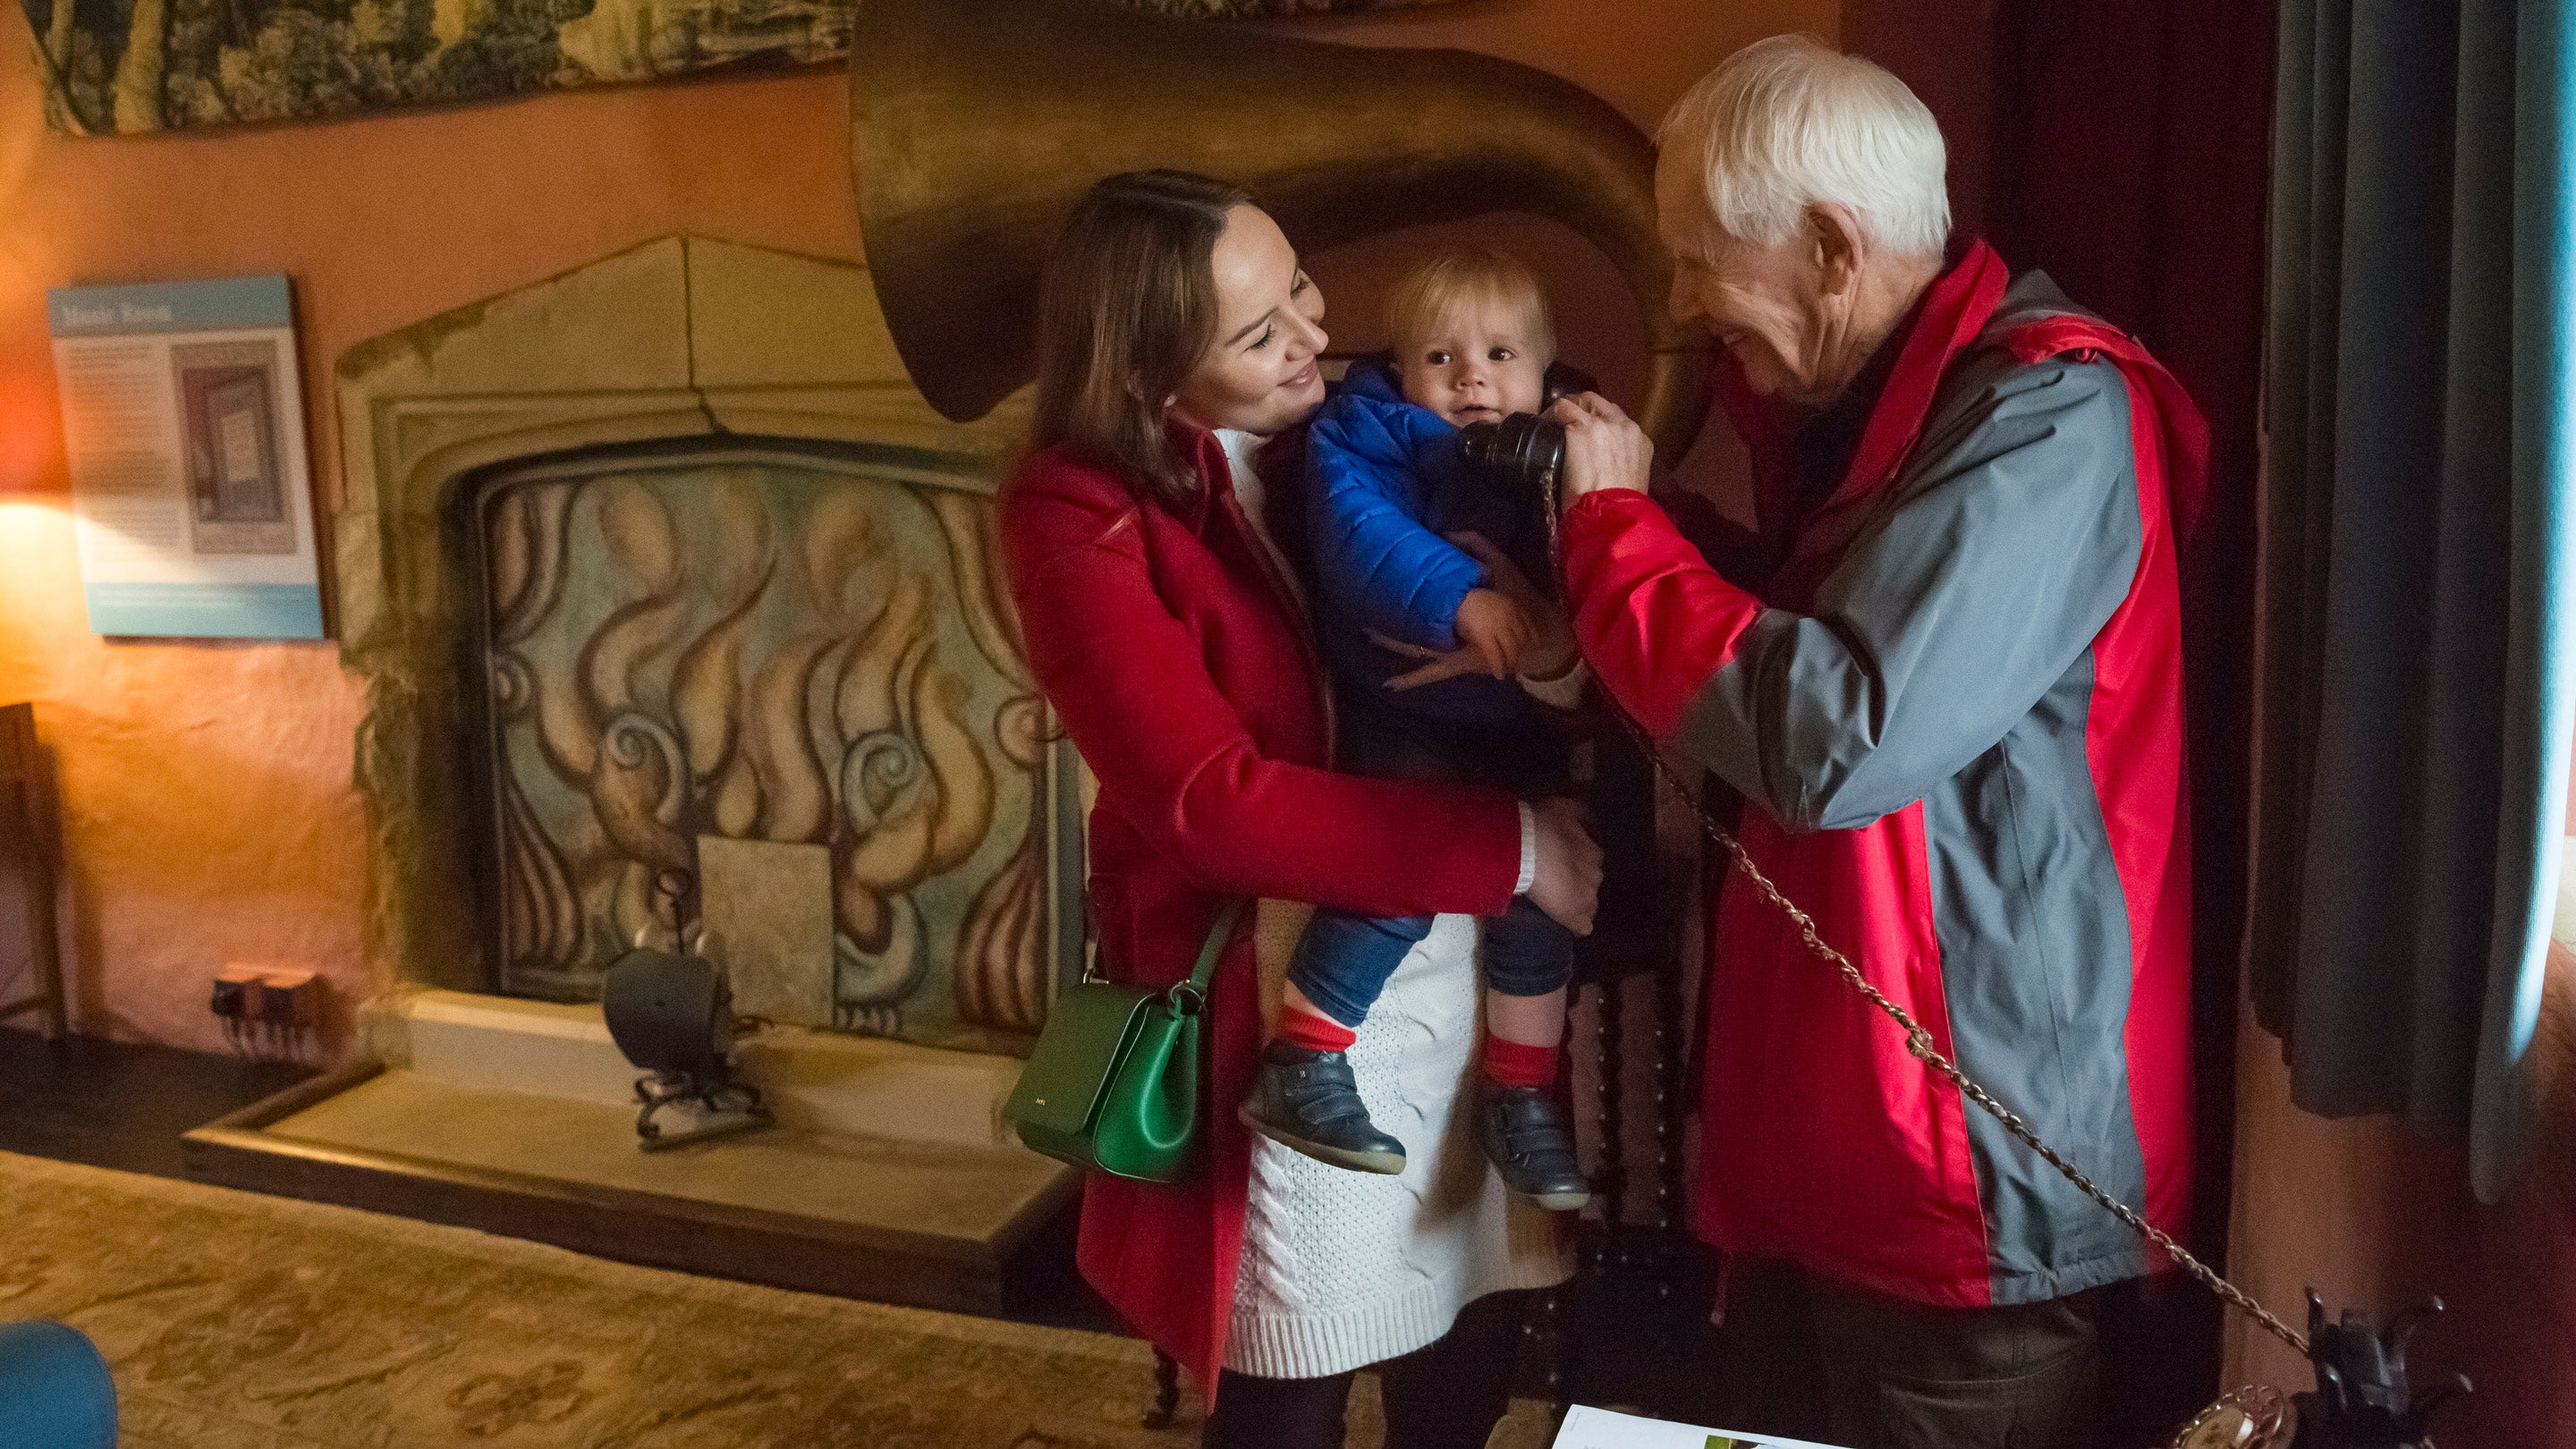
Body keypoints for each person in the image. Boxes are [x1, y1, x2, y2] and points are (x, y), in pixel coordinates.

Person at [1540, 38, 2210, 1448]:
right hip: (1838, 1148)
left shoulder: (2052, 413)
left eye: (1695, 261)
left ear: (1834, 249)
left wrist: (1614, 542)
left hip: (1964, 1181)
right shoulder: (1882, 407)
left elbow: (1830, 733)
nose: (1675, 306)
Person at [998, 169, 1601, 1449]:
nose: (1319, 338)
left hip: (1475, 971)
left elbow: (1559, 625)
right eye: (1263, 331)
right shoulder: (1077, 510)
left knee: (1471, 1336)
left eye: (1304, 292)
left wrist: (1549, 659)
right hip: (1285, 994)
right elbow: (1208, 802)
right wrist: (1515, 848)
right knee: (1292, 1383)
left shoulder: (1380, 405)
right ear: (1150, 371)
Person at [1240, 249, 1588, 1210]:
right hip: (1404, 712)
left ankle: (1521, 1098)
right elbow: (1362, 538)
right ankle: (1303, 1057)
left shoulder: (1551, 441)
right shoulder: (1364, 436)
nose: (1472, 375)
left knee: (1540, 912)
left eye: (1500, 353)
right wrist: (1464, 600)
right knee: (1389, 877)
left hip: (1511, 719)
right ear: (1400, 372)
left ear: (1545, 371)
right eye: (1441, 357)